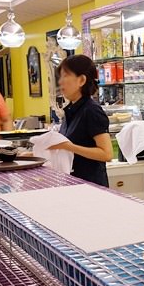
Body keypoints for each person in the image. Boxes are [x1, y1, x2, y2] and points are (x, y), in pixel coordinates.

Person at [51, 55, 113, 187]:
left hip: (92, 187)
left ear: (81, 80)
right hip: (74, 184)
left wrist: (68, 147)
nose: (60, 81)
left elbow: (106, 153)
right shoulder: (71, 110)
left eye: (65, 75)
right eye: (60, 76)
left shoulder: (91, 110)